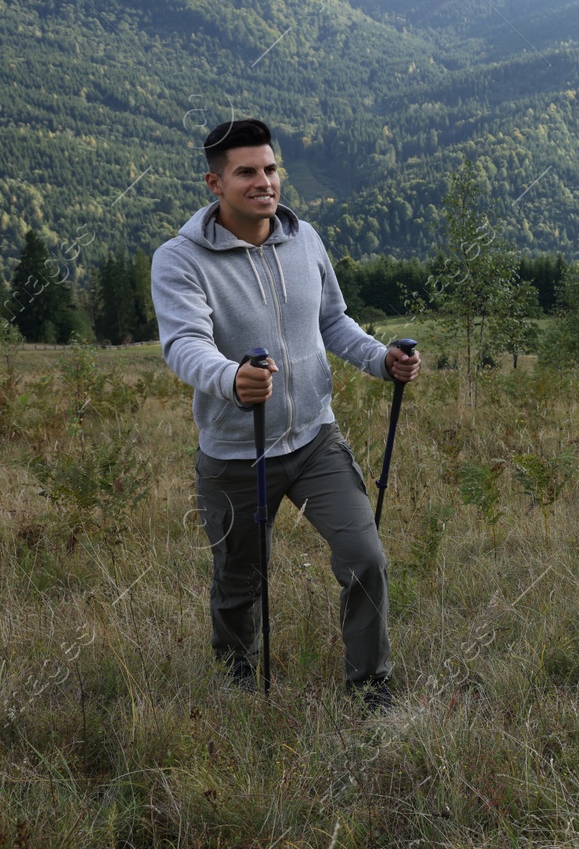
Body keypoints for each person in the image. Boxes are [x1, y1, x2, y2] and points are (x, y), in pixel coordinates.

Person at [150, 118, 421, 709]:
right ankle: (236, 673)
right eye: (246, 172)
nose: (263, 182)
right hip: (235, 451)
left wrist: (382, 360)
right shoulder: (179, 260)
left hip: (315, 437)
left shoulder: (306, 240)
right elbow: (184, 345)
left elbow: (332, 321)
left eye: (270, 169)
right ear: (214, 183)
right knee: (238, 582)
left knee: (365, 558)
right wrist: (231, 379)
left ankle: (370, 686)